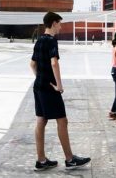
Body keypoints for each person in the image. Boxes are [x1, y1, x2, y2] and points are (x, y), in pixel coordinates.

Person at [30, 12, 91, 171]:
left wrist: (41, 78)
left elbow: (32, 64)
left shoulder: (39, 41)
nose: (61, 26)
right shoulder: (51, 41)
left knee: (41, 121)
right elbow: (54, 63)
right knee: (62, 121)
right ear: (53, 23)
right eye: (59, 23)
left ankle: (41, 160)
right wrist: (59, 85)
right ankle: (70, 159)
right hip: (49, 88)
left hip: (38, 86)